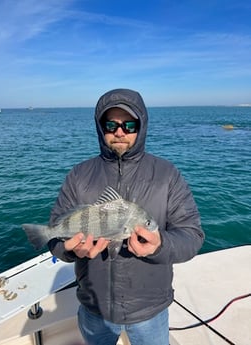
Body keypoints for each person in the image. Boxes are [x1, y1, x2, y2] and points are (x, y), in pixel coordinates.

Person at [48, 88, 204, 345]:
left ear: (141, 127)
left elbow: (192, 235)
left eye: (129, 124)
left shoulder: (166, 175)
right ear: (101, 127)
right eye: (111, 124)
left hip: (150, 309)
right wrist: (70, 250)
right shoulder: (78, 175)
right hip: (93, 306)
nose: (120, 132)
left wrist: (160, 245)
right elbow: (55, 234)